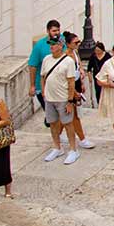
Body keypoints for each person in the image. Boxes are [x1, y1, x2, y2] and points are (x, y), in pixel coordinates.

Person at [39, 36, 83, 164]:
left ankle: (73, 149)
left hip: (63, 98)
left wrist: (70, 101)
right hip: (50, 98)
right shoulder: (46, 59)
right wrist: (43, 92)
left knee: (68, 124)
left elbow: (71, 82)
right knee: (53, 123)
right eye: (50, 44)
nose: (51, 46)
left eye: (54, 44)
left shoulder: (68, 61)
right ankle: (57, 147)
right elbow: (43, 77)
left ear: (60, 45)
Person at [27, 19, 63, 109]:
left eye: (58, 30)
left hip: (60, 85)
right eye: (54, 31)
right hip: (44, 86)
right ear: (48, 31)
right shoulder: (39, 46)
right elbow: (33, 66)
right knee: (49, 113)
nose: (57, 33)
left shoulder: (63, 40)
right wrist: (32, 85)